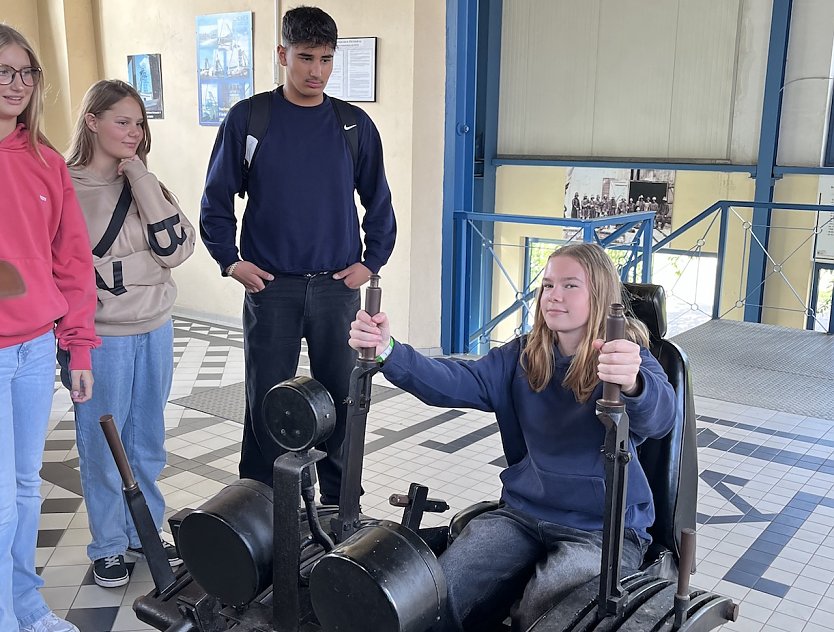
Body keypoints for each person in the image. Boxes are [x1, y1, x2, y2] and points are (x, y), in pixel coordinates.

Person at [349, 243, 676, 631]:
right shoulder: (523, 355)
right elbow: (456, 381)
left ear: (601, 295)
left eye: (570, 285)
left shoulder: (627, 358)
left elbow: (661, 417)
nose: (553, 295)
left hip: (603, 529)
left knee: (545, 610)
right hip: (523, 514)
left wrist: (634, 383)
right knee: (439, 590)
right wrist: (388, 351)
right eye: (548, 284)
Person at [200, 6, 396, 502]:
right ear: (282, 54)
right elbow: (215, 197)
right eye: (306, 58)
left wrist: (371, 262)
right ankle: (262, 507)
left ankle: (338, 504)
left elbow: (379, 199)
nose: (316, 71)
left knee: (344, 398)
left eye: (327, 59)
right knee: (266, 400)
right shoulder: (250, 118)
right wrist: (230, 261)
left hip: (337, 289)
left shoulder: (353, 125)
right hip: (272, 289)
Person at [63, 80, 195, 588]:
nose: (134, 132)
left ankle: (144, 531)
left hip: (156, 328)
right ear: (92, 121)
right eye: (122, 121)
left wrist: (139, 174)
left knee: (148, 440)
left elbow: (176, 252)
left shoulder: (147, 184)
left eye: (140, 124)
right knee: (102, 443)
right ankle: (109, 545)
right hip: (100, 338)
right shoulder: (67, 185)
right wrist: (143, 269)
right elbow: (77, 271)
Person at [0, 24, 99, 632]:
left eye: (26, 72)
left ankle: (27, 606)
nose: (17, 84)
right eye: (3, 72)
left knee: (26, 493)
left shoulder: (42, 161)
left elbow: (69, 259)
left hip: (35, 350)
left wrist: (79, 347)